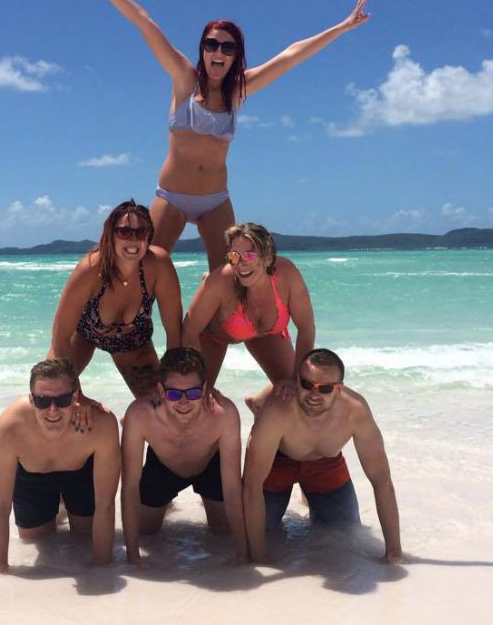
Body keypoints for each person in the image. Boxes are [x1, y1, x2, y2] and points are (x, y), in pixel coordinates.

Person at [70, 0, 371, 270]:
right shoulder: (184, 80)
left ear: (235, 56)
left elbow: (291, 55)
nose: (219, 52)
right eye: (211, 44)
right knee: (146, 269)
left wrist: (342, 28)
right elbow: (143, 21)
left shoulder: (238, 91)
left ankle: (208, 321)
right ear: (202, 49)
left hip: (215, 200)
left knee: (228, 274)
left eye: (227, 48)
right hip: (172, 196)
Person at [242, 348, 402, 564]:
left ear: (339, 389)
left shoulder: (356, 411)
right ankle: (257, 401)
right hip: (278, 460)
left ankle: (308, 494)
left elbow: (382, 481)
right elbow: (252, 485)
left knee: (345, 531)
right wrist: (258, 559)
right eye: (307, 385)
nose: (314, 395)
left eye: (325, 388)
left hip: (325, 463)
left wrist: (394, 553)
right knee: (263, 532)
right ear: (297, 380)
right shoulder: (278, 408)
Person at [0, 358, 121, 571]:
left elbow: (106, 503)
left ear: (75, 397)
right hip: (32, 475)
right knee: (37, 540)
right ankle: (60, 509)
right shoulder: (10, 427)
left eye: (63, 400)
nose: (52, 410)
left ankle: (65, 506)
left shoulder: (101, 424)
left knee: (84, 535)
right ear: (31, 399)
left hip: (80, 471)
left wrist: (102, 568)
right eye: (42, 401)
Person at [119, 347, 248, 564]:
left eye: (194, 393)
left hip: (208, 463)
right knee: (146, 532)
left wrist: (243, 553)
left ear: (205, 388)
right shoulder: (139, 414)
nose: (184, 402)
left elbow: (233, 486)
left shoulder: (224, 414)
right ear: (160, 391)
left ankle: (204, 499)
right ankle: (167, 503)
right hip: (163, 463)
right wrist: (132, 555)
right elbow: (130, 486)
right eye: (174, 394)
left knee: (222, 531)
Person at [49, 200, 182, 399]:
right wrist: (77, 396)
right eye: (124, 232)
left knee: (160, 408)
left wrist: (173, 384)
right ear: (110, 235)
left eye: (141, 232)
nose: (133, 240)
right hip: (85, 336)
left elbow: (174, 333)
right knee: (53, 396)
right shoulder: (91, 269)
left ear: (149, 237)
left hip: (134, 343)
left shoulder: (158, 266)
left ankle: (129, 423)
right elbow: (60, 337)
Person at [181, 222, 314, 398]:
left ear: (267, 258)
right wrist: (199, 382)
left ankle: (259, 401)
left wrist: (296, 378)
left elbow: (306, 328)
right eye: (234, 256)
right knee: (199, 397)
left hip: (267, 333)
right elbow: (189, 331)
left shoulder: (287, 274)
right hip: (214, 337)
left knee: (297, 392)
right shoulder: (221, 280)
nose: (241, 264)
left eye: (250, 256)